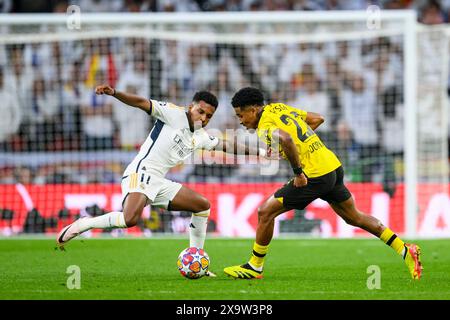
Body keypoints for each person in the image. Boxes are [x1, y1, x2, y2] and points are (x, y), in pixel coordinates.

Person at [56, 85, 262, 276]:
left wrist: (260, 152)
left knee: (202, 206)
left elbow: (226, 145)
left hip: (159, 181)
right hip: (141, 172)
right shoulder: (172, 113)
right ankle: (84, 224)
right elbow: (141, 102)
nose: (204, 118)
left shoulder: (200, 136)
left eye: (209, 116)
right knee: (130, 220)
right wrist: (114, 93)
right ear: (191, 107)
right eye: (201, 112)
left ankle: (197, 259)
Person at [223, 87, 423, 280]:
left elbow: (286, 139)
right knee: (355, 217)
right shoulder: (279, 108)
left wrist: (298, 172)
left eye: (241, 115)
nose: (240, 121)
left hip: (314, 175)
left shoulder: (265, 126)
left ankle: (254, 266)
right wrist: (302, 146)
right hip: (332, 166)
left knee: (265, 212)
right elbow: (317, 118)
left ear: (253, 110)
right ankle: (404, 249)